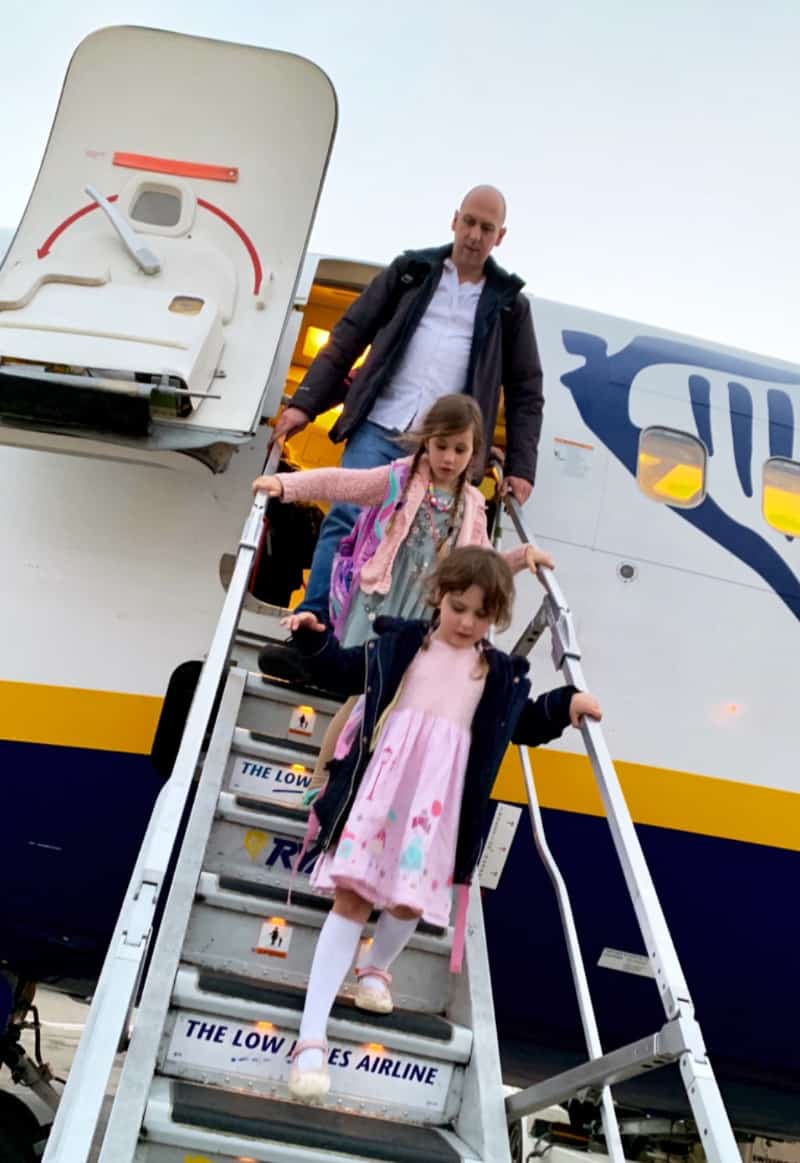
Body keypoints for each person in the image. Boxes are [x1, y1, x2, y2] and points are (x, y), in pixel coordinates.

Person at [282, 546, 602, 1100]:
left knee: (408, 901)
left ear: (496, 620)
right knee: (353, 899)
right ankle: (311, 1038)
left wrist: (563, 704)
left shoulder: (494, 672)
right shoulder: (403, 643)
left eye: (481, 614)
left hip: (437, 804)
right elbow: (343, 668)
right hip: (381, 792)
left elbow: (520, 723)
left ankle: (377, 965)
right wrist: (313, 639)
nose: (467, 622)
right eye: (459, 607)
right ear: (438, 597)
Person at [258, 185, 544, 680]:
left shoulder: (508, 304)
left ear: (501, 237)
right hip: (382, 421)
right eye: (469, 222)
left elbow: (525, 390)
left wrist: (521, 466)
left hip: (443, 449)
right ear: (454, 220)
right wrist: (305, 403)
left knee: (421, 554)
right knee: (346, 519)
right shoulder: (411, 272)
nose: (475, 235)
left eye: (487, 228)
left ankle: (377, 658)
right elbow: (350, 334)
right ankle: (312, 633)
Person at [253, 394, 553, 791]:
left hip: (422, 615)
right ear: (426, 442)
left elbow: (484, 562)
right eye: (441, 445)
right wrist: (285, 484)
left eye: (459, 449)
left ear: (474, 452)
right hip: (381, 603)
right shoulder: (400, 478)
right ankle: (321, 782)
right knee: (362, 697)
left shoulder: (472, 504)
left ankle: (359, 783)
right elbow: (343, 484)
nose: (448, 457)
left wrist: (522, 556)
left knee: (391, 703)